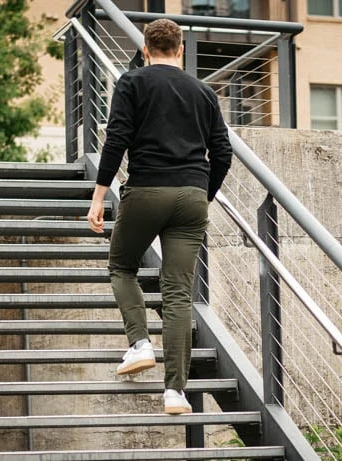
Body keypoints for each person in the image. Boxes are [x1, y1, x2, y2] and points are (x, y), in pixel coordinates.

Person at [86, 18, 232, 415]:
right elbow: (222, 153)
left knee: (122, 266)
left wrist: (98, 197)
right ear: (181, 49)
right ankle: (175, 392)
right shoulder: (203, 92)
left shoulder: (132, 82)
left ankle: (140, 343)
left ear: (145, 50)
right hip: (192, 197)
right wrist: (203, 194)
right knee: (179, 293)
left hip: (147, 190)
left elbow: (116, 139)